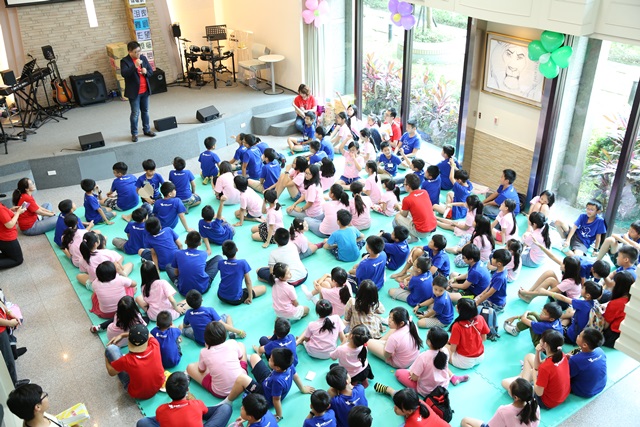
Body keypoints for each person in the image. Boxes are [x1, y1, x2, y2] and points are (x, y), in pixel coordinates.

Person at [222, 348, 314, 421]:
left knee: (242, 379)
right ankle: (244, 361)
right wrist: (302, 389)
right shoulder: (289, 366)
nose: (269, 359)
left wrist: (278, 415)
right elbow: (296, 376)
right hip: (268, 379)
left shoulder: (277, 381)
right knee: (254, 356)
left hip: (265, 395)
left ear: (277, 367)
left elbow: (276, 400)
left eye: (270, 359)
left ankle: (227, 402)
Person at [376, 326, 467, 399]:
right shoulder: (445, 352)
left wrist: (411, 373)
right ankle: (453, 377)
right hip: (442, 386)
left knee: (399, 373)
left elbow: (414, 378)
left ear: (429, 342)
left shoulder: (424, 356)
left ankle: (453, 378)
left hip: (427, 391)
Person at [501, 329, 570, 410]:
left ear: (545, 344)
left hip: (547, 401)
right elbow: (537, 366)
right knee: (529, 356)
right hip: (562, 395)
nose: (540, 340)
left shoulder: (545, 367)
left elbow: (539, 393)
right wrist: (537, 351)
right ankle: (523, 379)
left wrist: (534, 375)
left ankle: (523, 384)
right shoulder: (561, 355)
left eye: (541, 338)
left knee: (504, 382)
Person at [136, 372, 232, 427]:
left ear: (168, 392)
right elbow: (205, 411)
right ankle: (193, 415)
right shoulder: (197, 404)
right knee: (226, 408)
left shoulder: (161, 409)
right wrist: (192, 404)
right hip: (195, 407)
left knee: (142, 422)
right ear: (187, 389)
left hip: (170, 411)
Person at [187, 321, 248, 398]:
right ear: (224, 335)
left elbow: (201, 370)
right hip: (243, 383)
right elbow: (240, 357)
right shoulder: (232, 342)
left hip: (221, 392)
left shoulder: (204, 352)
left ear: (206, 338)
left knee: (190, 367)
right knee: (241, 345)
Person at [105, 323, 165, 399]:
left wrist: (106, 357)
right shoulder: (155, 344)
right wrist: (124, 335)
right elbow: (149, 335)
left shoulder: (126, 360)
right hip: (158, 386)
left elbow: (111, 372)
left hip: (138, 394)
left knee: (111, 349)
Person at [460, 378, 540, 427]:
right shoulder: (535, 406)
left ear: (516, 397)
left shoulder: (504, 411)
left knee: (465, 421)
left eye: (510, 388)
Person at [121, 41, 155, 142]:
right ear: (129, 51)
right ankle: (134, 133)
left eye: (139, 51)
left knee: (145, 111)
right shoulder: (125, 61)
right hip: (134, 92)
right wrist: (134, 66)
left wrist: (146, 72)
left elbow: (151, 72)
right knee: (135, 113)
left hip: (145, 90)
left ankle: (147, 130)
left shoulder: (143, 58)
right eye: (136, 52)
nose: (138, 54)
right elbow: (124, 74)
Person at [167, 231, 220, 295]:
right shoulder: (203, 254)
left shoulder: (178, 253)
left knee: (168, 266)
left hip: (184, 290)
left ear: (185, 241)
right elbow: (209, 251)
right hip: (202, 289)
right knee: (218, 258)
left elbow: (176, 273)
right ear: (200, 243)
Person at [217, 240, 266, 305]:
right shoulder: (242, 263)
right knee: (263, 288)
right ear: (237, 249)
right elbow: (248, 281)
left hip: (220, 296)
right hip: (235, 299)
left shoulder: (220, 262)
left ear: (223, 253)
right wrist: (250, 297)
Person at [446, 298, 490, 369]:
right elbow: (484, 339)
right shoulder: (480, 318)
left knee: (441, 346)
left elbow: (453, 349)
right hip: (480, 357)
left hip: (464, 362)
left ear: (459, 310)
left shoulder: (457, 326)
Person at [393, 173, 437, 243]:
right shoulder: (424, 192)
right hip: (432, 228)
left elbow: (404, 214)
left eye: (404, 184)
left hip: (421, 232)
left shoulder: (407, 199)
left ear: (408, 186)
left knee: (397, 216)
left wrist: (398, 206)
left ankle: (413, 237)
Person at [569, 327, 607, 398]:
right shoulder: (600, 350)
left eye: (579, 336)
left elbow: (567, 375)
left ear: (584, 345)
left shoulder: (575, 360)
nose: (577, 336)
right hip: (601, 386)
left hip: (584, 391)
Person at [603, 270, 633, 347]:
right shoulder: (634, 301)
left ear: (618, 286)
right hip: (629, 337)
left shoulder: (615, 303)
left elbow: (605, 325)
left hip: (613, 337)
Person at [0, 202, 25, 269]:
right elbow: (10, 225)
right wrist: (18, 213)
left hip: (2, 236)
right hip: (7, 237)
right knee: (18, 260)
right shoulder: (1, 209)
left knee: (7, 254)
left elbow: (3, 216)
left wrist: (9, 210)